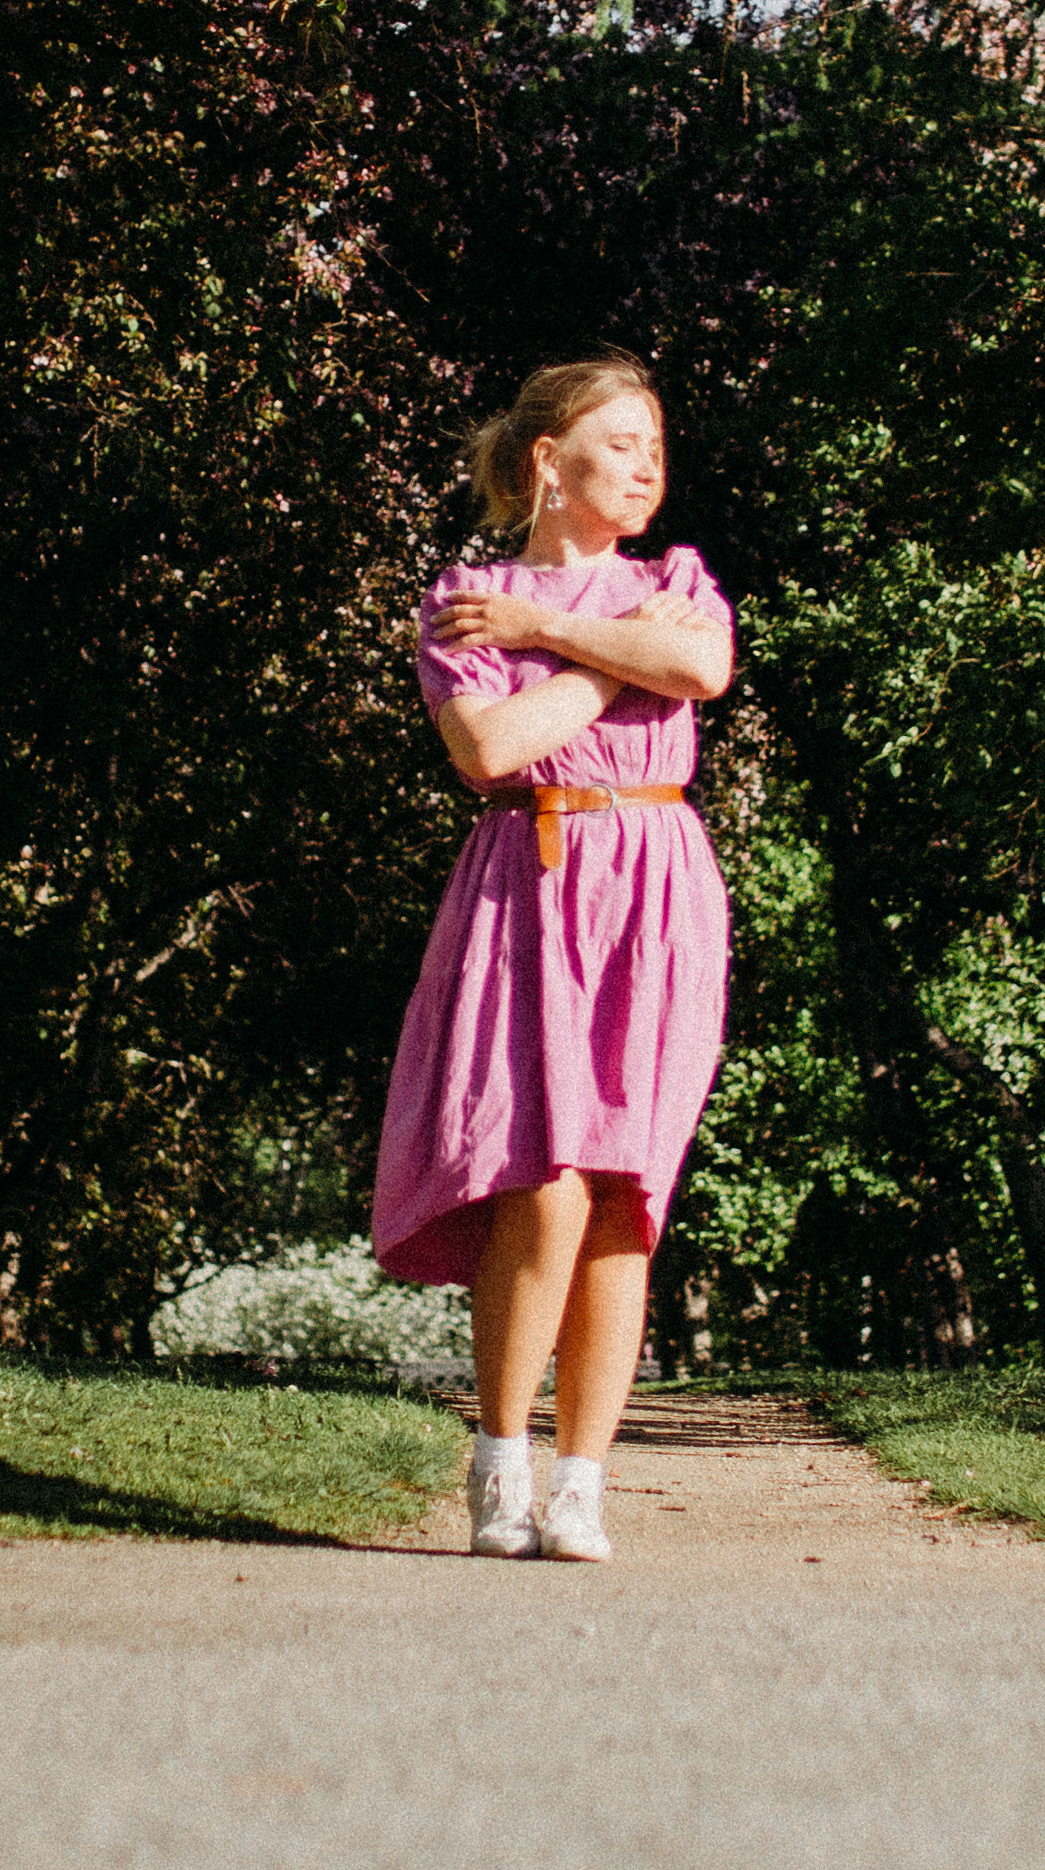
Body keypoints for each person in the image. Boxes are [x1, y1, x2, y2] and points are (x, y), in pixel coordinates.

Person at [372, 354, 734, 1563]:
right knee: (543, 1180)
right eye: (621, 439)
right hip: (532, 879)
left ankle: (583, 1479)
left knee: (627, 1189)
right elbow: (488, 744)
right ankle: (502, 1461)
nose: (648, 464)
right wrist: (589, 648)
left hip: (658, 886)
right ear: (548, 458)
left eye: (656, 445)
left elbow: (699, 668)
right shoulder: (469, 597)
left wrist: (559, 631)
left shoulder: (675, 580)